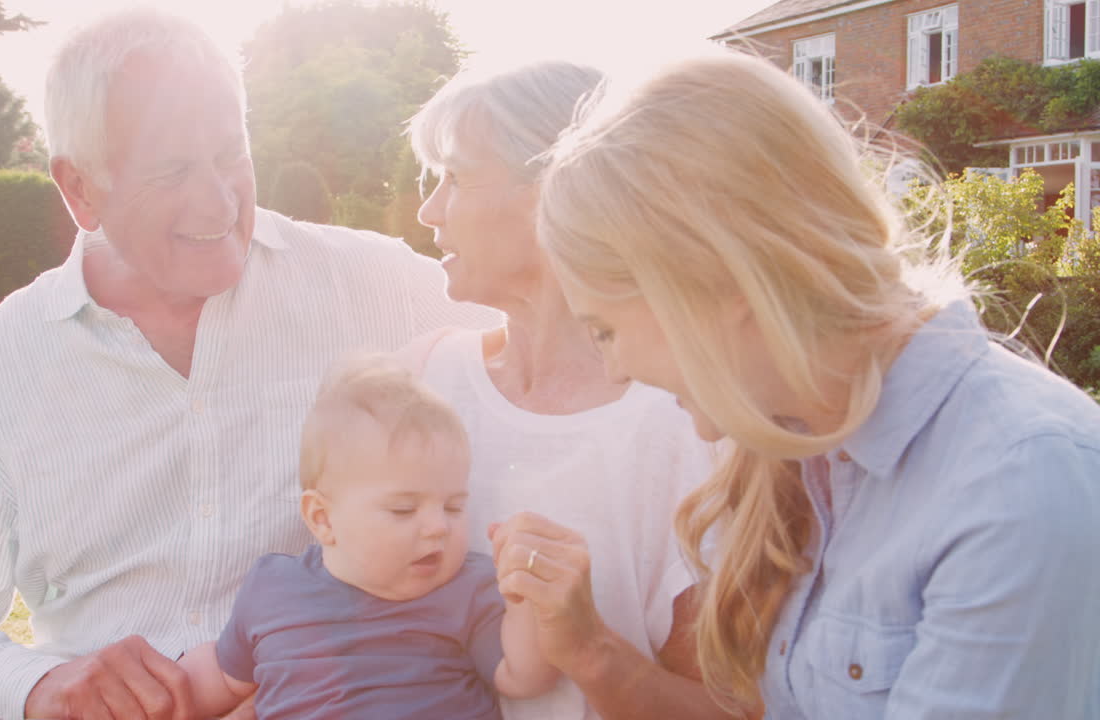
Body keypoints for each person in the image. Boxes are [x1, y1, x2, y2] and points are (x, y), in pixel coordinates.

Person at [0, 8, 495, 720]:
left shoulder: (368, 285)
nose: (217, 200)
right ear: (81, 189)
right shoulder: (13, 358)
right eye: (173, 169)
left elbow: (552, 345)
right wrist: (37, 687)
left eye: (230, 155)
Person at [537, 51, 1100, 718]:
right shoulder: (803, 447)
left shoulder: (1017, 481)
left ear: (717, 284)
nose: (614, 370)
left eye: (604, 330)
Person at [403, 61, 728, 720]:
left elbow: (728, 709)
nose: (428, 210)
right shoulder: (420, 380)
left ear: (559, 186)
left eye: (456, 177)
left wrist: (590, 649)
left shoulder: (689, 424)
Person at [178, 355, 557, 718]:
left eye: (454, 506)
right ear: (322, 518)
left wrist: (522, 600)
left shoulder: (468, 588)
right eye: (404, 510)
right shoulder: (272, 588)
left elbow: (524, 678)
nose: (439, 526)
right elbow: (223, 677)